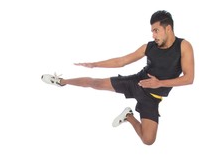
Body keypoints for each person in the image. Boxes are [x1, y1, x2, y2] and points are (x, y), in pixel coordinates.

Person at [41, 10, 194, 145]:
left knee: (148, 140)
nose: (153, 35)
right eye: (152, 31)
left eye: (156, 30)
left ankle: (128, 116)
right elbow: (122, 61)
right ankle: (61, 81)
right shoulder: (149, 46)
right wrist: (95, 64)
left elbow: (189, 78)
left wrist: (159, 83)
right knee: (96, 83)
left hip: (152, 98)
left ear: (168, 28)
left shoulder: (183, 46)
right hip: (136, 83)